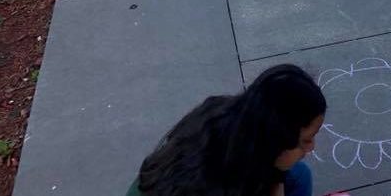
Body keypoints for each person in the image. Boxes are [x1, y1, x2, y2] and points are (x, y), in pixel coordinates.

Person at [129, 64, 326, 196]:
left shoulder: (236, 119)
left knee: (298, 174)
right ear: (276, 143)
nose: (311, 148)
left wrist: (277, 181)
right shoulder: (214, 184)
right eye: (305, 141)